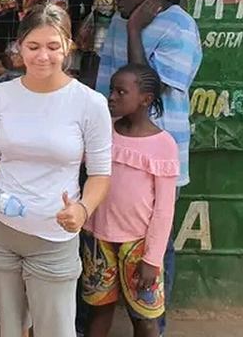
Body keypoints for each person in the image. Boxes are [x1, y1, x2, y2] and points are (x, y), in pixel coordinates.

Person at [0, 3, 113, 337]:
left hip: (54, 236)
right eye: (33, 46)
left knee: (55, 330)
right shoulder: (0, 96)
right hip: (0, 229)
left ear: (69, 46)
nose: (43, 56)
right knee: (10, 329)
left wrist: (83, 210)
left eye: (53, 46)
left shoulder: (90, 104)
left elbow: (101, 174)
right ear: (19, 47)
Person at [94, 0, 202, 336]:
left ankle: (153, 321)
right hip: (115, 153)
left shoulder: (179, 28)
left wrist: (138, 30)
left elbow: (149, 93)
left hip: (158, 159)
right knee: (106, 237)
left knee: (153, 245)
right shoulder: (120, 24)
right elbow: (104, 86)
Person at [82, 64, 179, 337]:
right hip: (97, 237)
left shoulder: (163, 144)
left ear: (145, 99)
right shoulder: (104, 130)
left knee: (144, 318)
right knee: (99, 309)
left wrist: (152, 258)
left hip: (138, 245)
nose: (111, 97)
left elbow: (163, 209)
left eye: (121, 92)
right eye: (111, 90)